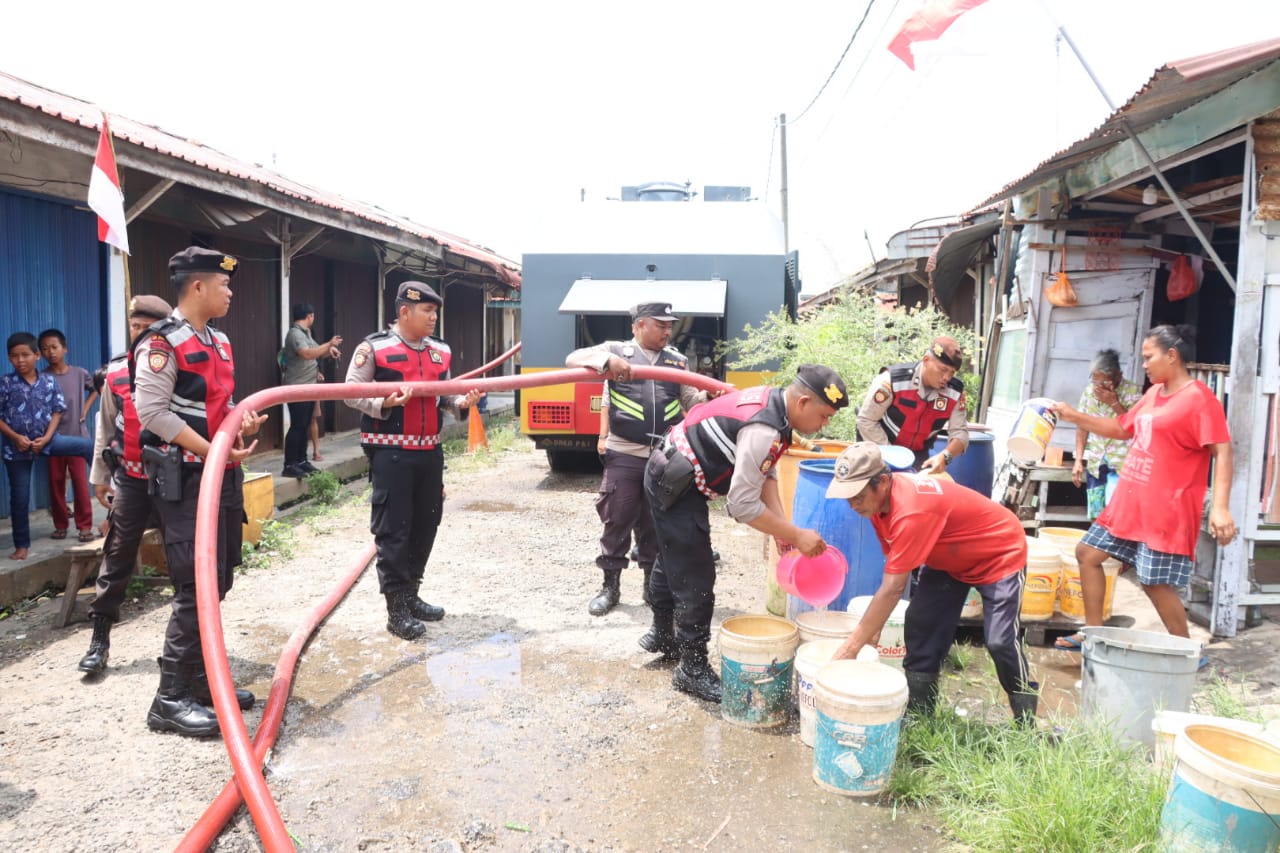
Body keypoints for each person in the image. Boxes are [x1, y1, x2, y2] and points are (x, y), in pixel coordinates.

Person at [641, 365, 848, 702]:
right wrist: (796, 535)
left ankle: (663, 636)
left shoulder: (776, 409)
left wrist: (781, 527)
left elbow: (765, 473)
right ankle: (691, 669)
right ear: (804, 402)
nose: (824, 424)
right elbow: (741, 505)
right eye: (824, 415)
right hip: (674, 481)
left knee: (674, 557)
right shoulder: (765, 428)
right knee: (695, 574)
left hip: (673, 469)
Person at [133, 247, 266, 737]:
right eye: (224, 284)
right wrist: (214, 450)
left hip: (221, 475)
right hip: (188, 480)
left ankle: (200, 681)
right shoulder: (161, 343)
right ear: (197, 287)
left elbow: (219, 403)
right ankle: (168, 699)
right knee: (196, 585)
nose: (230, 293)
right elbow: (153, 413)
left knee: (220, 578)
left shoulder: (219, 341)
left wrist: (241, 423)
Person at [1051, 325, 1235, 652]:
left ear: (1172, 356)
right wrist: (1074, 416)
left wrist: (1220, 508)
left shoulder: (1199, 399)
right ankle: (1094, 634)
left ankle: (1185, 650)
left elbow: (1222, 451)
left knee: (1153, 582)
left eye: (1149, 357)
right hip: (1131, 502)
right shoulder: (1154, 394)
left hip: (1165, 507)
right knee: (1087, 553)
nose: (1145, 365)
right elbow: (1122, 428)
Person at [826, 442, 1039, 725]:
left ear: (884, 481)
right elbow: (894, 568)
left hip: (998, 552)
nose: (853, 505)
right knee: (921, 625)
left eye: (858, 496)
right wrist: (873, 627)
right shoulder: (876, 506)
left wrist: (850, 649)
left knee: (1000, 641)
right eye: (848, 498)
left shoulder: (911, 510)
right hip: (949, 556)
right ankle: (920, 717)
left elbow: (893, 588)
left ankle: (1027, 721)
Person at [344, 280, 481, 640]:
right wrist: (385, 402)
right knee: (394, 531)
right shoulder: (374, 348)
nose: (433, 317)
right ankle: (396, 610)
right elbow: (349, 392)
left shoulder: (440, 351)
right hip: (391, 452)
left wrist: (461, 403)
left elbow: (443, 397)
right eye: (427, 311)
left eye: (436, 311)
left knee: (426, 524)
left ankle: (412, 594)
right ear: (404, 311)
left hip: (429, 451)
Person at [565, 302, 710, 616]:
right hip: (625, 453)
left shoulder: (677, 360)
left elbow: (690, 400)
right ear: (640, 325)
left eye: (670, 325)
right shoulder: (616, 350)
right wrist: (607, 361)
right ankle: (610, 587)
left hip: (663, 457)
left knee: (654, 523)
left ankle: (651, 587)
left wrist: (708, 397)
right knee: (617, 518)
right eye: (661, 325)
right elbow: (573, 358)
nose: (668, 331)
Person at [76, 294, 173, 675]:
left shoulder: (179, 367)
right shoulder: (116, 373)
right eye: (136, 327)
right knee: (116, 557)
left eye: (150, 328)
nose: (142, 334)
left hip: (175, 481)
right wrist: (100, 478)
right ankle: (99, 642)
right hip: (130, 480)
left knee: (185, 562)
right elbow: (104, 427)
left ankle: (183, 652)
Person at [0, 333, 95, 561]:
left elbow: (57, 411)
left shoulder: (48, 381)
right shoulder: (6, 383)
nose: (20, 360)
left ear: (36, 355)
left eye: (25, 355)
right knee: (20, 497)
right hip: (17, 448)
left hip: (49, 441)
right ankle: (22, 545)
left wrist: (47, 437)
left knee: (88, 446)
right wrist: (16, 437)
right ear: (9, 358)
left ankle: (109, 492)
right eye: (14, 356)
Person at [856, 335, 969, 472]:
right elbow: (866, 420)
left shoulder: (955, 393)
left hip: (917, 454)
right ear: (926, 360)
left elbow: (960, 433)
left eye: (952, 372)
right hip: (877, 447)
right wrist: (891, 456)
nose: (947, 377)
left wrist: (946, 457)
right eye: (943, 369)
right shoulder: (892, 381)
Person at [38, 329, 99, 543]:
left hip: (77, 437)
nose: (50, 352)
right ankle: (60, 525)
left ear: (65, 348)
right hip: (53, 439)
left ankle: (85, 526)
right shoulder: (42, 378)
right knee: (56, 482)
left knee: (80, 482)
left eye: (54, 347)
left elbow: (96, 389)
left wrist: (85, 409)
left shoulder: (79, 373)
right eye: (45, 349)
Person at [1070, 349, 1142, 521]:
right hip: (1097, 462)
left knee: (1115, 516)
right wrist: (1078, 460)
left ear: (1118, 376)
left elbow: (1134, 426)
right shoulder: (1089, 392)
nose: (1099, 386)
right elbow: (1082, 426)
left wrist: (1114, 403)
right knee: (1096, 516)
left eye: (1105, 382)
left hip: (1122, 464)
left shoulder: (1132, 391)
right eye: (1096, 380)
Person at [280, 302, 342, 478]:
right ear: (310, 316)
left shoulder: (305, 334)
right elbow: (307, 354)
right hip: (297, 387)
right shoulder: (295, 334)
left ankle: (302, 461)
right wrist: (329, 343)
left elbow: (316, 351)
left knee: (305, 424)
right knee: (297, 425)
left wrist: (330, 350)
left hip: (308, 387)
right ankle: (289, 464)